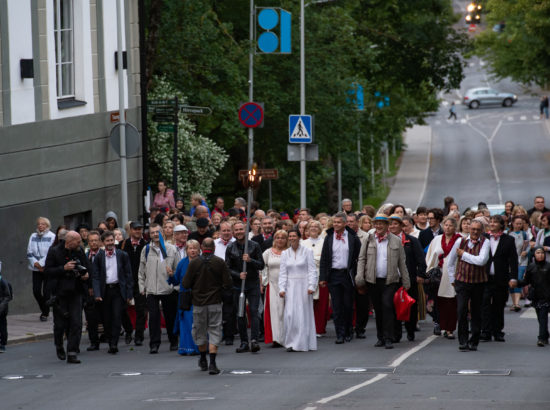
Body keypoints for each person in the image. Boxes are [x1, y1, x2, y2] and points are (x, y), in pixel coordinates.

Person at [355, 214, 410, 349]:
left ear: (387, 226)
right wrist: (359, 277)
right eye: (376, 224)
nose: (378, 226)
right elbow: (362, 258)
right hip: (372, 280)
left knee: (387, 306)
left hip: (390, 280)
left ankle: (388, 337)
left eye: (381, 224)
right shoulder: (369, 239)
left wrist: (406, 281)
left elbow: (402, 263)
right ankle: (380, 337)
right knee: (378, 309)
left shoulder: (396, 241)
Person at [183, 238, 233, 375]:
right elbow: (228, 283)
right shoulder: (219, 262)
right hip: (215, 301)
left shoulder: (194, 263)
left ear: (201, 247)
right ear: (214, 248)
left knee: (199, 331)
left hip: (198, 303)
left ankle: (203, 358)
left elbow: (186, 284)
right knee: (215, 330)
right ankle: (213, 362)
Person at [44, 231, 91, 363]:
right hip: (60, 293)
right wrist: (63, 268)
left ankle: (72, 352)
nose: (80, 243)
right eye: (78, 241)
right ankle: (59, 345)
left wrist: (86, 274)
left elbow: (87, 266)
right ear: (69, 241)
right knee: (60, 325)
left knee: (76, 323)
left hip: (76, 291)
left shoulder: (79, 251)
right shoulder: (54, 251)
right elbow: (47, 271)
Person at [447, 219, 490, 351]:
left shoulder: (485, 242)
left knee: (476, 312)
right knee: (461, 311)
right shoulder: (461, 241)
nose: (475, 232)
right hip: (462, 282)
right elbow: (451, 261)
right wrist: (452, 279)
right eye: (473, 229)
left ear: (482, 231)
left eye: (478, 229)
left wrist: (464, 254)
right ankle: (463, 341)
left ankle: (474, 341)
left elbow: (481, 261)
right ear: (469, 229)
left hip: (478, 282)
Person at [138, 223, 180, 354]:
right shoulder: (145, 250)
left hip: (168, 289)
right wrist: (142, 287)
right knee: (154, 319)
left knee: (170, 317)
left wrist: (176, 287)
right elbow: (141, 270)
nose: (155, 234)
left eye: (157, 232)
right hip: (151, 289)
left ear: (162, 233)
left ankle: (173, 341)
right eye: (152, 233)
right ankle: (154, 344)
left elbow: (178, 270)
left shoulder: (172, 249)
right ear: (149, 235)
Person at [319, 212, 361, 344]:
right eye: (334, 222)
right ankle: (340, 334)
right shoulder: (329, 237)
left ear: (344, 223)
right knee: (336, 307)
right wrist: (323, 277)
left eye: (338, 222)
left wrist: (358, 276)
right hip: (334, 275)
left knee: (348, 305)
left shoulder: (353, 237)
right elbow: (324, 258)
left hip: (348, 275)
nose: (336, 225)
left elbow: (359, 257)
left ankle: (349, 331)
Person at [225, 221, 265, 353]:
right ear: (233, 232)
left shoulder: (254, 245)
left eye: (241, 229)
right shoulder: (230, 247)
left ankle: (254, 340)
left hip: (252, 283)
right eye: (236, 230)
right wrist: (238, 274)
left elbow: (261, 265)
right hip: (238, 286)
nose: (239, 232)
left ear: (245, 230)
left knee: (254, 311)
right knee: (240, 313)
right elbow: (227, 268)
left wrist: (250, 260)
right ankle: (244, 342)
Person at [91, 231, 133, 354]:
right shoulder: (99, 257)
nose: (110, 243)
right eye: (107, 241)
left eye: (111, 240)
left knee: (116, 316)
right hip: (105, 291)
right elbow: (96, 276)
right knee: (106, 318)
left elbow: (128, 275)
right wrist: (97, 294)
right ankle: (110, 340)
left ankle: (113, 344)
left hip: (118, 290)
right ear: (103, 243)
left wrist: (129, 293)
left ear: (114, 241)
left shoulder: (122, 255)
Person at [480, 215, 518, 342]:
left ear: (501, 225)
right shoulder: (483, 238)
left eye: (495, 222)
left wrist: (513, 278)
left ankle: (497, 331)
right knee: (485, 303)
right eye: (490, 222)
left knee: (499, 304)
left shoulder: (509, 240)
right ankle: (485, 331)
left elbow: (513, 261)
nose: (492, 224)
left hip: (500, 277)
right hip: (484, 277)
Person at [388, 214, 426, 342]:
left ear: (401, 226)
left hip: (409, 279)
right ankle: (396, 334)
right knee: (392, 306)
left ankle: (410, 330)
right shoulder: (385, 241)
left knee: (410, 306)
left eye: (395, 224)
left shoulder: (411, 241)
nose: (392, 226)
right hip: (392, 279)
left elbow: (421, 259)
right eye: (390, 224)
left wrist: (420, 274)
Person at [279, 229, 317, 352]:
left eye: (294, 236)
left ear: (299, 237)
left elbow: (312, 270)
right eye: (290, 236)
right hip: (290, 286)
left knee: (302, 315)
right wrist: (282, 288)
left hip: (303, 286)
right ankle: (291, 342)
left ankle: (302, 343)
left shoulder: (307, 251)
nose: (292, 238)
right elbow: (283, 273)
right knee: (290, 314)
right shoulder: (285, 254)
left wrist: (312, 286)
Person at [425, 216, 461, 340]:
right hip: (438, 275)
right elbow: (430, 256)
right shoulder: (437, 239)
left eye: (451, 225)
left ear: (455, 227)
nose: (448, 227)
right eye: (446, 225)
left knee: (451, 302)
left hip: (453, 274)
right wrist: (428, 272)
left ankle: (450, 329)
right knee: (438, 301)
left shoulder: (460, 240)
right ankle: (440, 324)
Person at [511, 247, 550, 346]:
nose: (540, 255)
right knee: (540, 318)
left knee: (543, 317)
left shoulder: (548, 266)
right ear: (534, 255)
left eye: (542, 253)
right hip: (536, 296)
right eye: (538, 253)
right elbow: (526, 281)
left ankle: (541, 338)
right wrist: (516, 283)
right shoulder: (531, 267)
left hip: (547, 297)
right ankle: (545, 334)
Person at [118, 222, 148, 346]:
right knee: (121, 308)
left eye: (140, 229)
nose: (138, 231)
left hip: (140, 281)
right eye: (135, 229)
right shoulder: (122, 244)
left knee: (141, 309)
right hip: (125, 281)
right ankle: (129, 329)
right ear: (130, 230)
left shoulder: (146, 245)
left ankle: (139, 335)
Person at [169, 239, 200, 356]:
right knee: (186, 323)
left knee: (198, 322)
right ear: (186, 250)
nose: (192, 250)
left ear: (199, 250)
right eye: (190, 248)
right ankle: (187, 348)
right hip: (185, 297)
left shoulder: (202, 262)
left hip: (199, 297)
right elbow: (176, 280)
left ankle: (199, 347)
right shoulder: (182, 263)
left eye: (195, 248)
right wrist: (171, 275)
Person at [261, 230, 288, 347]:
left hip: (287, 286)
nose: (280, 240)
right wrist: (262, 283)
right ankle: (276, 338)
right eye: (277, 237)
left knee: (285, 312)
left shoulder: (289, 252)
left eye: (283, 238)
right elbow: (262, 268)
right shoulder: (268, 252)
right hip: (272, 285)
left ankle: (286, 337)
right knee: (274, 312)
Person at [302, 221, 329, 336]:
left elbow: (326, 260)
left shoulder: (325, 242)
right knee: (308, 303)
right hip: (306, 277)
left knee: (321, 303)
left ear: (320, 229)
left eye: (315, 227)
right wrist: (317, 259)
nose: (313, 228)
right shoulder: (302, 243)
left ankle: (319, 328)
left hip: (322, 276)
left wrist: (313, 260)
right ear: (307, 230)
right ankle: (308, 328)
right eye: (311, 227)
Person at [27, 216, 56, 321]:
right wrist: (36, 264)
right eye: (39, 224)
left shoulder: (52, 236)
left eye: (43, 224)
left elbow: (50, 252)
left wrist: (42, 264)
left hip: (47, 268)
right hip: (36, 269)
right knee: (36, 291)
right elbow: (29, 251)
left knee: (47, 292)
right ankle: (44, 308)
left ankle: (45, 313)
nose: (40, 226)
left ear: (47, 225)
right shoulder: (33, 236)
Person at [214, 222, 235, 345]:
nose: (226, 232)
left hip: (231, 281)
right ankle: (217, 335)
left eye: (228, 230)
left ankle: (229, 336)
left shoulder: (236, 244)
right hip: (216, 282)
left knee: (229, 310)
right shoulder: (214, 244)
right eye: (224, 230)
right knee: (216, 310)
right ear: (220, 232)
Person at [508, 216, 530, 311]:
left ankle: (516, 303)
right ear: (512, 223)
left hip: (522, 261)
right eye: (517, 223)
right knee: (511, 280)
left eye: (520, 223)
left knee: (519, 279)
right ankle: (513, 302)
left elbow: (528, 245)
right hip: (510, 262)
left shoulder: (524, 234)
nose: (518, 225)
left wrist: (526, 251)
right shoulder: (508, 234)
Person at [0, 261, 13, 353]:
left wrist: (1, 306)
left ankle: (2, 344)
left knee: (2, 326)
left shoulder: (3, 283)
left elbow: (8, 296)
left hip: (2, 309)